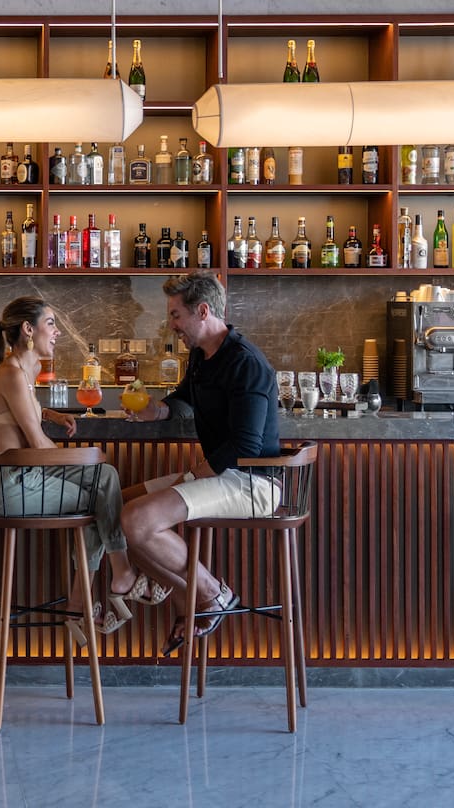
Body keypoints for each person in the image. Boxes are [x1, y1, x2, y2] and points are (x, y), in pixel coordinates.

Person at [120, 271, 281, 653]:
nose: (172, 325)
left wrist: (194, 475)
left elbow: (245, 443)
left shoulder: (246, 362)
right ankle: (196, 597)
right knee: (117, 507)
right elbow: (184, 399)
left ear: (203, 311)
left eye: (176, 315)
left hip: (251, 483)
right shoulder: (201, 356)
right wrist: (155, 412)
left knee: (136, 519)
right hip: (221, 475)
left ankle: (211, 593)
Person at [0, 296, 138, 634]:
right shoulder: (12, 373)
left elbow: (17, 414)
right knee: (101, 490)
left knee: (104, 480)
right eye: (50, 323)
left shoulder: (23, 369)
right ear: (28, 329)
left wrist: (49, 413)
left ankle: (85, 602)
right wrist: (86, 456)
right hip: (10, 488)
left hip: (14, 478)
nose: (58, 331)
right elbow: (37, 445)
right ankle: (106, 585)